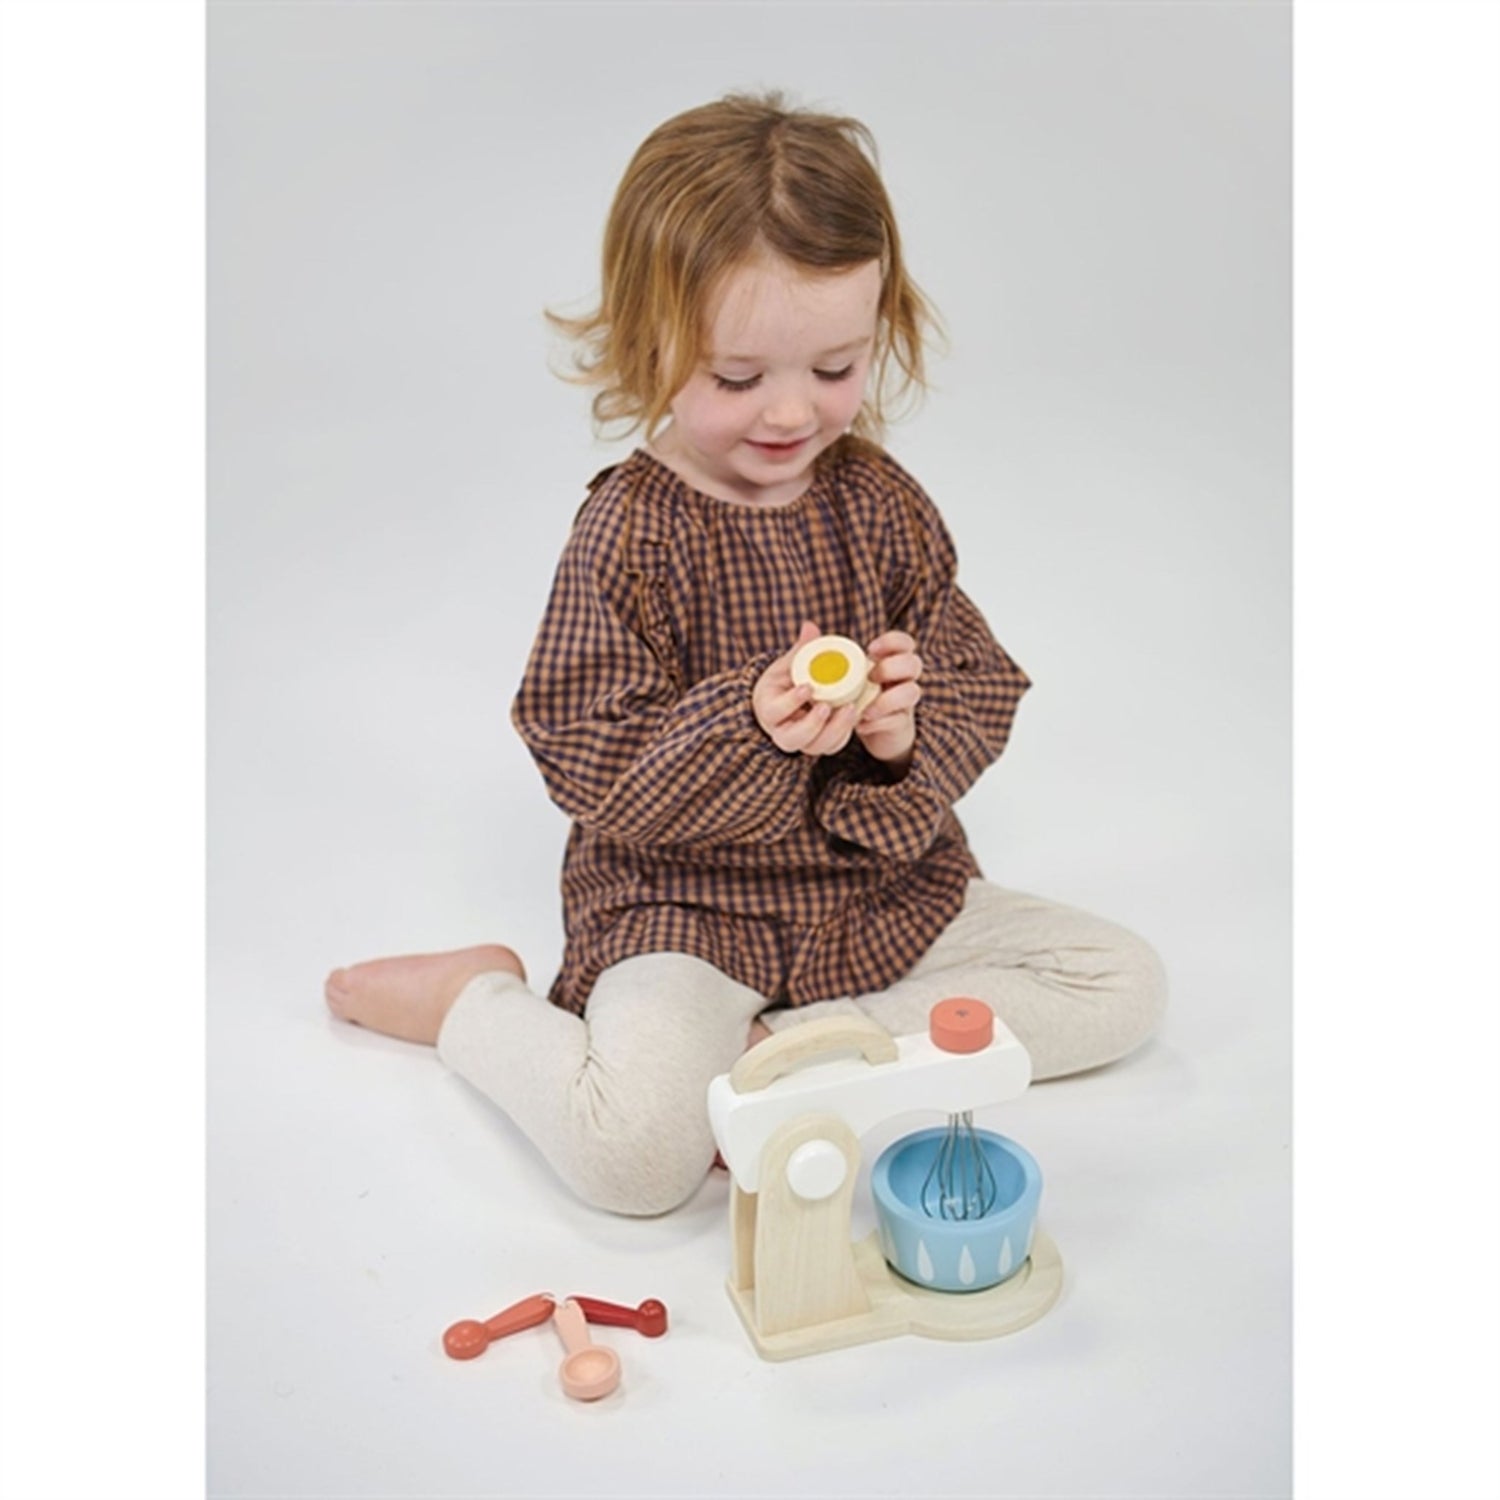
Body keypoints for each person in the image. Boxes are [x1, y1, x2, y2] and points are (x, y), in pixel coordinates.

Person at [325, 91, 1167, 1216]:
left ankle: (799, 1051)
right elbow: (587, 752)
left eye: (836, 367)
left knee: (1120, 983)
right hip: (688, 908)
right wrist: (748, 727)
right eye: (737, 378)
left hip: (877, 895)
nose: (790, 413)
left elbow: (978, 677)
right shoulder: (633, 530)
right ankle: (470, 1005)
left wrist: (899, 737)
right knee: (636, 1164)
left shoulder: (878, 503)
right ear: (651, 344)